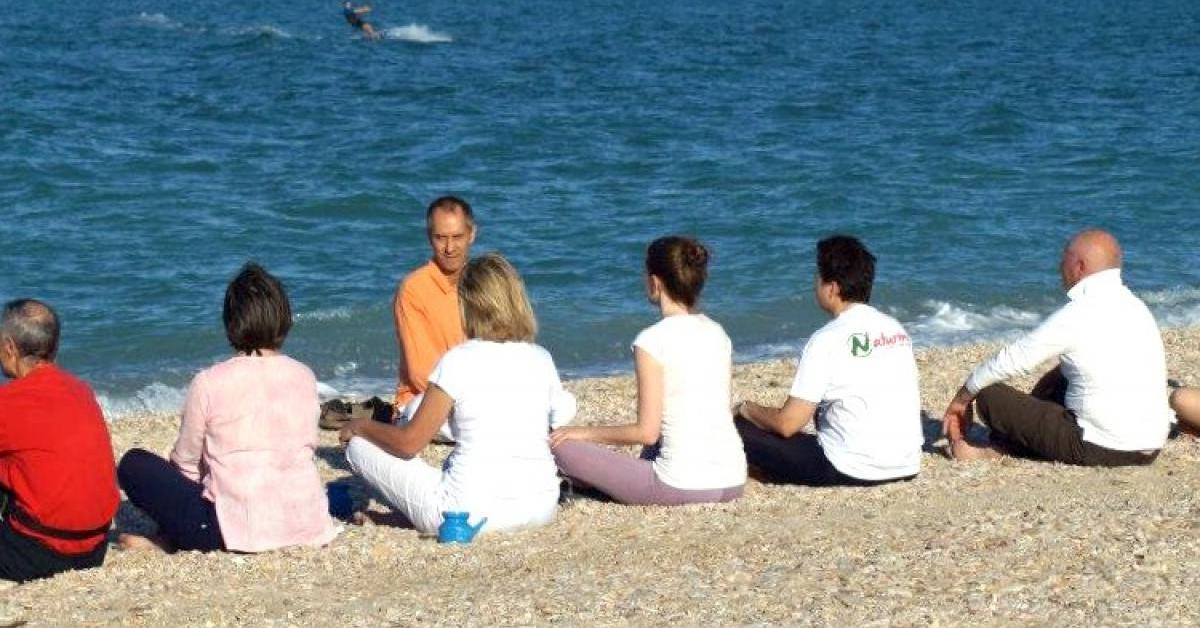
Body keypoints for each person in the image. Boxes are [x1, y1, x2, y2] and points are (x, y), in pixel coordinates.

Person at [340, 253, 573, 534]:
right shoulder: (540, 357)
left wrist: (361, 425)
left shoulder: (458, 360)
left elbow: (409, 443)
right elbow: (559, 416)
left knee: (358, 447)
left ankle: (413, 518)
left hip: (466, 516)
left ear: (467, 305)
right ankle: (401, 520)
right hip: (541, 507)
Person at [116, 263, 339, 553]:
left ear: (231, 322)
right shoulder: (304, 375)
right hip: (306, 523)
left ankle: (168, 539)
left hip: (233, 531)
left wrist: (179, 505)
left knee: (135, 463)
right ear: (283, 318)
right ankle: (169, 537)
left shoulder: (209, 381)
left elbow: (186, 464)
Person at [943, 229, 1170, 465]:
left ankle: (1000, 448)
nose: (1060, 266)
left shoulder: (1080, 311)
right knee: (1060, 374)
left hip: (1102, 446)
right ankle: (1011, 443)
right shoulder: (1136, 306)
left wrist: (962, 398)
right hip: (1149, 446)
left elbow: (1015, 359)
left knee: (990, 394)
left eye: (1064, 259)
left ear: (1079, 266)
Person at [550, 236, 745, 505]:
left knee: (558, 444)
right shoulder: (717, 332)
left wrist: (582, 432)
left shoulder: (652, 340)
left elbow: (646, 432)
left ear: (655, 282)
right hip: (733, 479)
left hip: (680, 485)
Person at [734, 236, 922, 487]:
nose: (815, 284)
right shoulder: (895, 329)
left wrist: (746, 408)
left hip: (852, 469)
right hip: (906, 464)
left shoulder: (827, 339)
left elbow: (787, 424)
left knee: (737, 427)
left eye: (817, 277)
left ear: (832, 288)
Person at [0, 299, 119, 582]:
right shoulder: (82, 392)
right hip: (95, 546)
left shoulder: (9, 402)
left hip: (38, 552)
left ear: (10, 347)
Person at [390, 196, 478, 441]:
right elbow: (421, 373)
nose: (450, 248)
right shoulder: (414, 288)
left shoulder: (483, 283)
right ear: (430, 238)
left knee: (563, 405)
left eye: (457, 237)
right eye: (441, 238)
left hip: (476, 397)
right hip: (426, 401)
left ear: (472, 234)